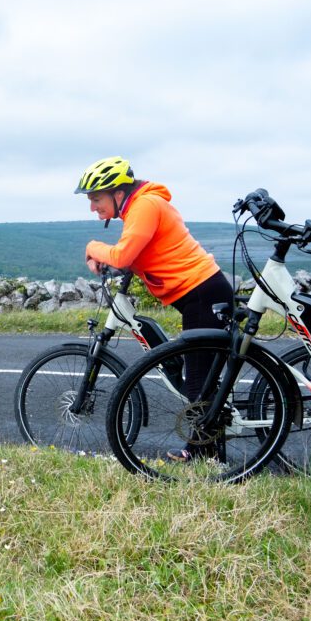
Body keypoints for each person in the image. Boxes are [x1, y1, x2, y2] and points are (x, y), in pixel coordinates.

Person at [76, 156, 234, 461]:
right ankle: (210, 450)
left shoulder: (145, 205)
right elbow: (139, 253)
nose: (93, 207)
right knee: (199, 375)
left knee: (198, 380)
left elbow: (122, 256)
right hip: (198, 293)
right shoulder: (139, 208)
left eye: (96, 198)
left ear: (118, 193)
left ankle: (203, 454)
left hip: (202, 292)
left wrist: (92, 247)